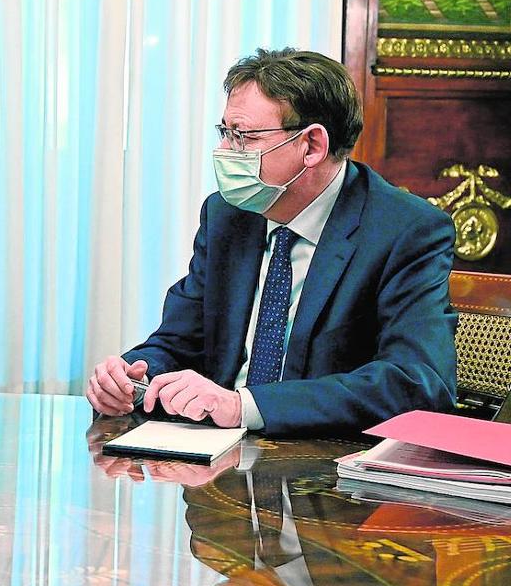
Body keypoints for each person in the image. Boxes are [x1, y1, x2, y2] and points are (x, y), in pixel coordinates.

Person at [87, 48, 456, 436]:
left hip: (325, 475)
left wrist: (244, 406)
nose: (226, 152)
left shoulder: (405, 230)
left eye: (243, 137)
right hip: (211, 466)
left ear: (312, 145)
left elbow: (418, 382)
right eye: (225, 133)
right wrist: (132, 376)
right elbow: (182, 339)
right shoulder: (226, 216)